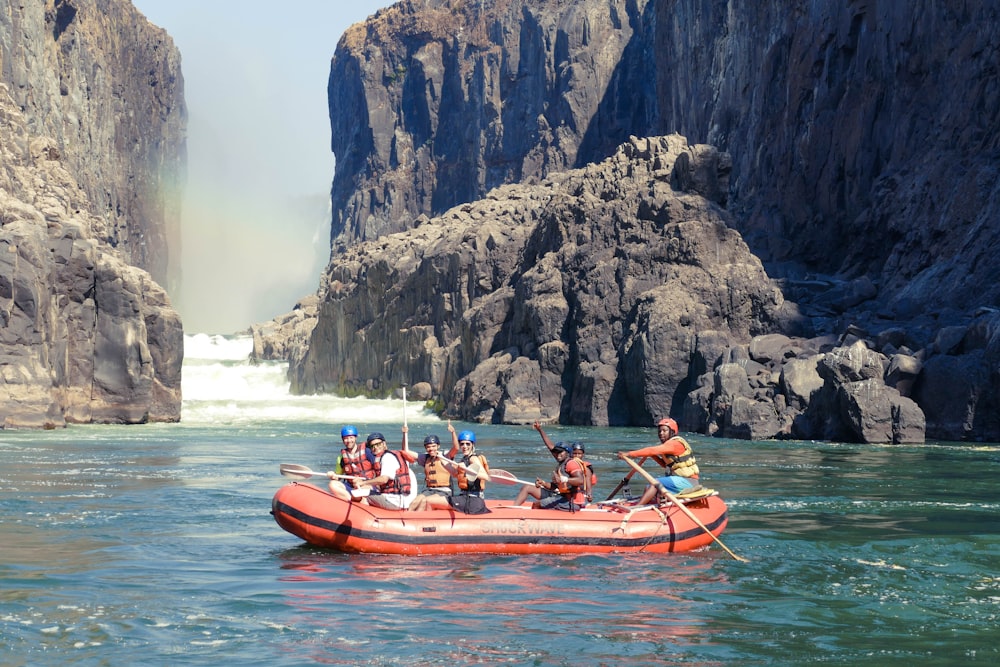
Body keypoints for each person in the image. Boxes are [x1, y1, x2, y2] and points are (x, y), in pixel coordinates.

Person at [617, 417, 700, 505]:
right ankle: (645, 508)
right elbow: (665, 465)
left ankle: (637, 507)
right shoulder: (668, 446)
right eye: (659, 431)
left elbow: (651, 450)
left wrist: (628, 454)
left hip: (688, 481)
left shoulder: (675, 444)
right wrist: (653, 455)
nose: (661, 433)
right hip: (679, 480)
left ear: (672, 432)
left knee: (655, 483)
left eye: (664, 431)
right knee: (648, 487)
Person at [532, 422, 597, 502]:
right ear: (570, 453)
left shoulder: (584, 466)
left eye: (579, 454)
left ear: (583, 454)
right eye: (574, 453)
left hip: (575, 498)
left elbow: (587, 479)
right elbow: (551, 447)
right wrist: (540, 430)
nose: (577, 456)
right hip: (564, 495)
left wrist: (589, 493)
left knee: (539, 503)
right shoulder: (567, 461)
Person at [401, 422, 460, 511]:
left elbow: (456, 448)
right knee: (415, 501)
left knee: (426, 501)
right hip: (429, 490)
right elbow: (405, 451)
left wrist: (453, 432)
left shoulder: (445, 456)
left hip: (444, 491)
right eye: (428, 447)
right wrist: (404, 434)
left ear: (438, 446)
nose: (431, 449)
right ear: (426, 448)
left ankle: (418, 519)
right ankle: (408, 518)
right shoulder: (425, 458)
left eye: (433, 446)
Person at [351, 432, 415, 510]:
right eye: (372, 446)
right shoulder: (383, 457)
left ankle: (368, 518)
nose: (375, 447)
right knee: (364, 488)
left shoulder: (387, 457)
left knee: (359, 495)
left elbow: (384, 479)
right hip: (395, 498)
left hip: (394, 501)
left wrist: (363, 483)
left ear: (384, 444)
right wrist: (363, 483)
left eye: (378, 444)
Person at [513, 444, 587, 511]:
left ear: (567, 453)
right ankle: (513, 509)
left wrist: (563, 479)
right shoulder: (561, 465)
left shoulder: (571, 463)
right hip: (562, 496)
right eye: (556, 452)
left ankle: (539, 522)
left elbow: (580, 480)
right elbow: (556, 487)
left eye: (560, 452)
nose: (558, 454)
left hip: (572, 502)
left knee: (537, 504)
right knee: (527, 488)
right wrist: (544, 483)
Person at [326, 425, 378, 501]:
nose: (349, 440)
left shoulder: (367, 452)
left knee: (361, 491)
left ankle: (359, 499)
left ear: (355, 438)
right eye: (346, 438)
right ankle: (351, 500)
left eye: (351, 437)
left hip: (367, 484)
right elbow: (338, 477)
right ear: (343, 439)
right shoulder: (341, 458)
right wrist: (332, 475)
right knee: (332, 484)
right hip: (351, 486)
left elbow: (378, 469)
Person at [444, 430, 491, 514]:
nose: (464, 446)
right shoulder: (464, 459)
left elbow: (485, 476)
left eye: (467, 444)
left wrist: (466, 469)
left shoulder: (473, 459)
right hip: (465, 496)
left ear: (473, 444)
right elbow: (455, 474)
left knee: (431, 501)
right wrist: (442, 460)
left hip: (473, 500)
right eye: (462, 444)